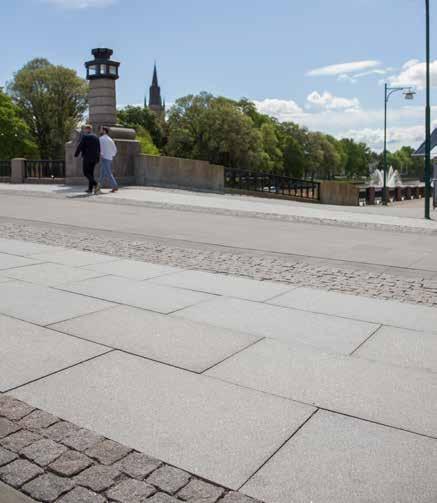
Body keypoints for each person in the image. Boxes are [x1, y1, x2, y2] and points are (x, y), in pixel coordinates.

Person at [74, 125, 100, 194]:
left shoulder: (85, 137)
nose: (84, 130)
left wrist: (76, 154)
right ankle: (90, 189)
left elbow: (80, 146)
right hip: (94, 158)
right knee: (91, 174)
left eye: (85, 129)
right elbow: (99, 148)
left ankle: (96, 184)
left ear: (87, 129)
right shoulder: (96, 137)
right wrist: (98, 158)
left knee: (86, 173)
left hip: (87, 158)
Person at [97, 127, 118, 193]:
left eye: (101, 130)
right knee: (102, 173)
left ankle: (115, 186)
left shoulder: (101, 139)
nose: (100, 131)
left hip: (104, 157)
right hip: (109, 158)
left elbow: (101, 148)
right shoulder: (110, 139)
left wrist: (101, 154)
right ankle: (98, 187)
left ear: (104, 131)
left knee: (108, 173)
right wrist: (112, 155)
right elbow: (115, 149)